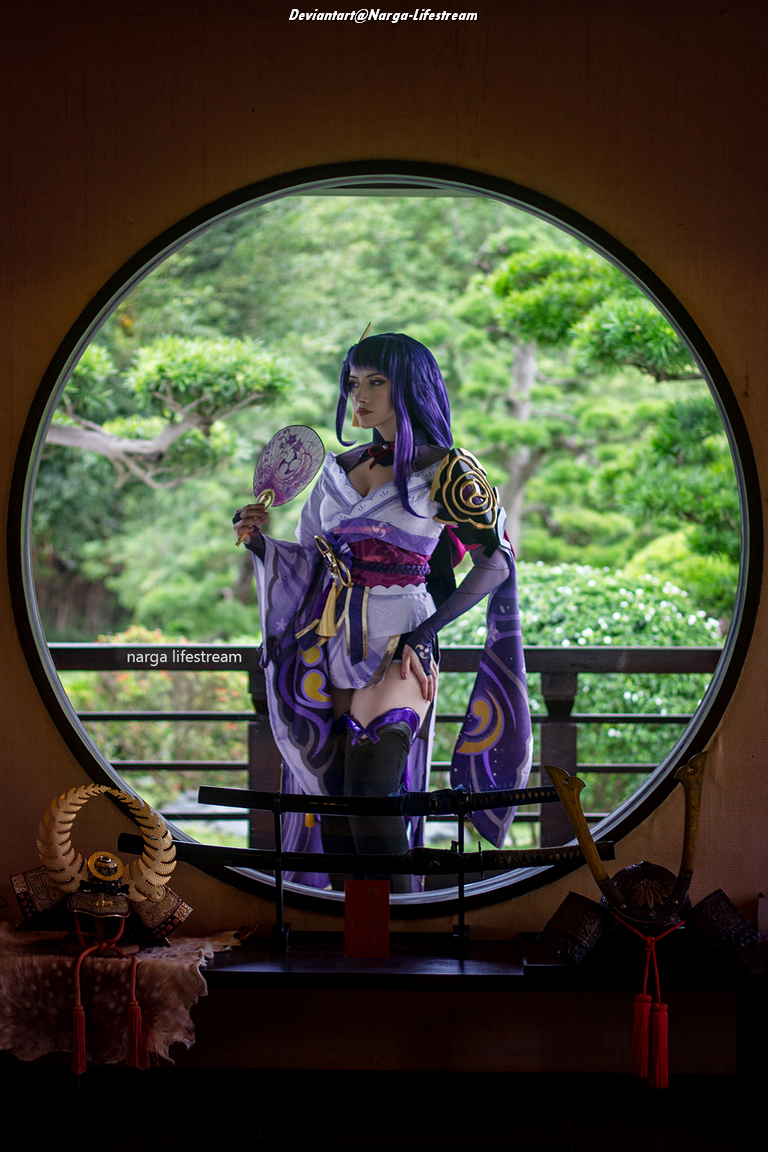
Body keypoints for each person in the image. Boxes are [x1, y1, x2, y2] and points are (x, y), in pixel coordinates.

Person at [233, 333, 532, 893]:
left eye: (376, 382)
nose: (360, 396)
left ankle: (407, 935)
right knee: (341, 808)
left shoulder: (448, 470)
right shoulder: (335, 469)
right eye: (353, 383)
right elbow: (309, 560)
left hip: (402, 646)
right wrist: (258, 543)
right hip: (327, 643)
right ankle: (358, 946)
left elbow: (497, 562)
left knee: (372, 800)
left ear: (409, 386)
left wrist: (426, 633)